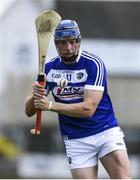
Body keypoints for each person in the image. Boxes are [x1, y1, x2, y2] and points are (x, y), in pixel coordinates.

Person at [25, 19, 131, 179]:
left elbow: (88, 109)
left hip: (104, 131)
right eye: (63, 43)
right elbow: (29, 112)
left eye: (72, 42)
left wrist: (50, 105)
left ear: (79, 41)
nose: (68, 47)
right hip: (76, 139)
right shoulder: (49, 68)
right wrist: (35, 95)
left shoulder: (93, 64)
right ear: (56, 44)